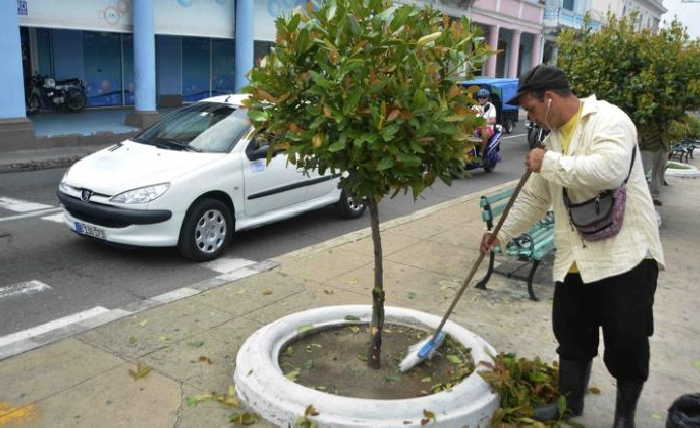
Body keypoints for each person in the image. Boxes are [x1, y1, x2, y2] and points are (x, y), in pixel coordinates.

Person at [480, 65, 665, 427]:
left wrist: (547, 162)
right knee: (572, 336)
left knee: (627, 341)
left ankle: (624, 417)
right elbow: (534, 198)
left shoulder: (609, 120)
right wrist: (499, 235)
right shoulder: (551, 141)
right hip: (575, 259)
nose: (531, 117)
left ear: (548, 99)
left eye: (531, 109)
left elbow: (609, 171)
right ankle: (570, 404)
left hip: (624, 258)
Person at [474, 88, 497, 160]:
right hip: (476, 127)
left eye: (484, 97)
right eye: (480, 97)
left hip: (487, 127)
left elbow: (493, 120)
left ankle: (481, 153)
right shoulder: (475, 106)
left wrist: (484, 122)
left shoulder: (491, 106)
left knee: (484, 132)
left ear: (487, 98)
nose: (481, 99)